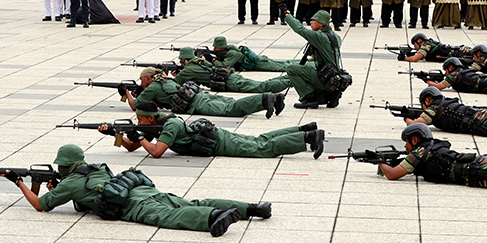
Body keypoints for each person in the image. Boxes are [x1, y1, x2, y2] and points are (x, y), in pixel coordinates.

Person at [0, 144, 271, 237]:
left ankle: (212, 218)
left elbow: (40, 205)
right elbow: (88, 197)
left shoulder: (70, 182)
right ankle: (251, 208)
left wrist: (18, 181)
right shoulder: (97, 168)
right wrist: (60, 188)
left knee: (170, 217)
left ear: (65, 166)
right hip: (144, 191)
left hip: (135, 206)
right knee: (189, 201)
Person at [104, 101, 324, 159]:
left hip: (219, 142)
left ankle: (307, 138)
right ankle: (303, 129)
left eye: (140, 120)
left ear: (151, 118)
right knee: (260, 139)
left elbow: (156, 152)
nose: (139, 123)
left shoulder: (168, 125)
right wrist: (116, 135)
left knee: (262, 149)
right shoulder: (156, 121)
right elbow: (133, 147)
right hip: (213, 137)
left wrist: (141, 136)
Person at [127, 67, 284, 119]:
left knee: (232, 109)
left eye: (142, 80)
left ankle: (266, 100)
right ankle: (275, 97)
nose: (142, 83)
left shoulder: (153, 87)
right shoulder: (166, 80)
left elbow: (135, 106)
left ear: (148, 77)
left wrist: (126, 92)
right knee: (230, 103)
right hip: (201, 95)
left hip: (197, 104)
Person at [281, 8, 349, 109]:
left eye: (314, 21)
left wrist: (287, 15)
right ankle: (329, 96)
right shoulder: (334, 36)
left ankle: (309, 99)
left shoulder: (320, 37)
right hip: (334, 76)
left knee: (291, 69)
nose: (310, 22)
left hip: (325, 77)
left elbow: (300, 29)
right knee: (309, 66)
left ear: (321, 24)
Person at [174, 47, 290, 93]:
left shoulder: (188, 70)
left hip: (230, 82)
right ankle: (288, 78)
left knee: (262, 87)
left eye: (181, 60)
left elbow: (174, 85)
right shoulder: (200, 61)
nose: (180, 63)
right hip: (230, 76)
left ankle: (291, 81)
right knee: (262, 84)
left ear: (184, 59)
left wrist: (174, 75)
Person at [211, 36, 296, 72]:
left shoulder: (233, 53)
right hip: (258, 62)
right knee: (285, 63)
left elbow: (223, 66)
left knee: (285, 66)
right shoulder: (227, 51)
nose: (214, 48)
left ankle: (306, 64)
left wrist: (213, 60)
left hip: (260, 63)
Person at [401, 33, 472, 63]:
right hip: (459, 52)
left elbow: (415, 59)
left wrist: (404, 58)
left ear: (419, 41)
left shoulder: (426, 45)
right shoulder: (428, 44)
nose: (414, 47)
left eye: (414, 44)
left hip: (462, 52)